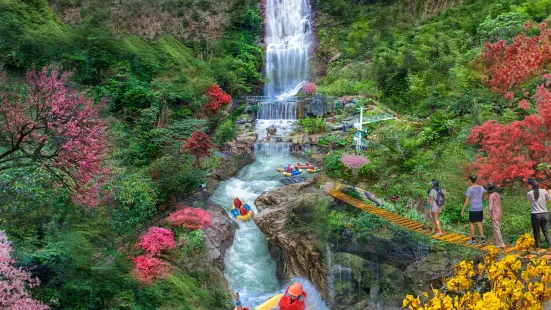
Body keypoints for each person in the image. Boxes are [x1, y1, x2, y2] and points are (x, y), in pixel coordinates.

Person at [461, 175, 486, 245]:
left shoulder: (470, 189)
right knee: (479, 222)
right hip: (480, 208)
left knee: (471, 223)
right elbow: (485, 193)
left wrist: (463, 209)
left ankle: (473, 240)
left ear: (470, 180)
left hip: (473, 208)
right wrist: (481, 198)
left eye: (468, 180)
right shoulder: (480, 187)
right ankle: (482, 240)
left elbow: (467, 200)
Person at [526, 178, 551, 249]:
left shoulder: (529, 193)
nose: (527, 186)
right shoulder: (544, 191)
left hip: (535, 214)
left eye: (528, 185)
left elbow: (530, 201)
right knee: (546, 231)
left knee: (536, 232)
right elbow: (549, 199)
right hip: (544, 214)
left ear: (531, 185)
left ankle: (538, 247)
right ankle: (550, 245)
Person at [486, 183, 505, 249]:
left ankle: (501, 243)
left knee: (496, 228)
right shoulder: (497, 194)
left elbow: (490, 206)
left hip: (495, 213)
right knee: (495, 227)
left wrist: (488, 214)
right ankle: (495, 242)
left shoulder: (491, 195)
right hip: (499, 212)